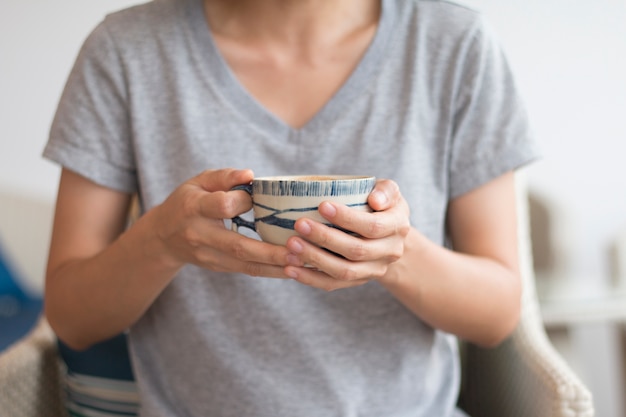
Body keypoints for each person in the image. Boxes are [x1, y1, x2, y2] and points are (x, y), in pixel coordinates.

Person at [42, 0, 539, 416]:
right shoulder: (126, 50)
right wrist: (161, 241)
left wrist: (396, 253)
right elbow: (71, 318)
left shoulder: (454, 45)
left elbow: (497, 315)